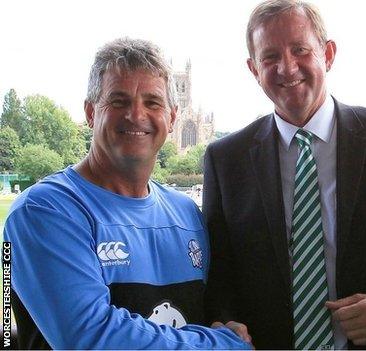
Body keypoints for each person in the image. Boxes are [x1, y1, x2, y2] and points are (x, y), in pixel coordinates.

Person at [202, 0, 366, 349]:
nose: (287, 67)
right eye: (270, 57)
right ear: (253, 69)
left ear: (328, 54)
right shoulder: (225, 159)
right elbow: (219, 271)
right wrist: (226, 319)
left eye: (300, 50)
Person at [3, 38, 251, 349]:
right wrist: (224, 345)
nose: (136, 114)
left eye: (153, 102)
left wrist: (222, 323)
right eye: (119, 101)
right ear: (91, 112)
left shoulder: (187, 213)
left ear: (172, 118)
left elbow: (207, 310)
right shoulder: (46, 210)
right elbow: (93, 337)